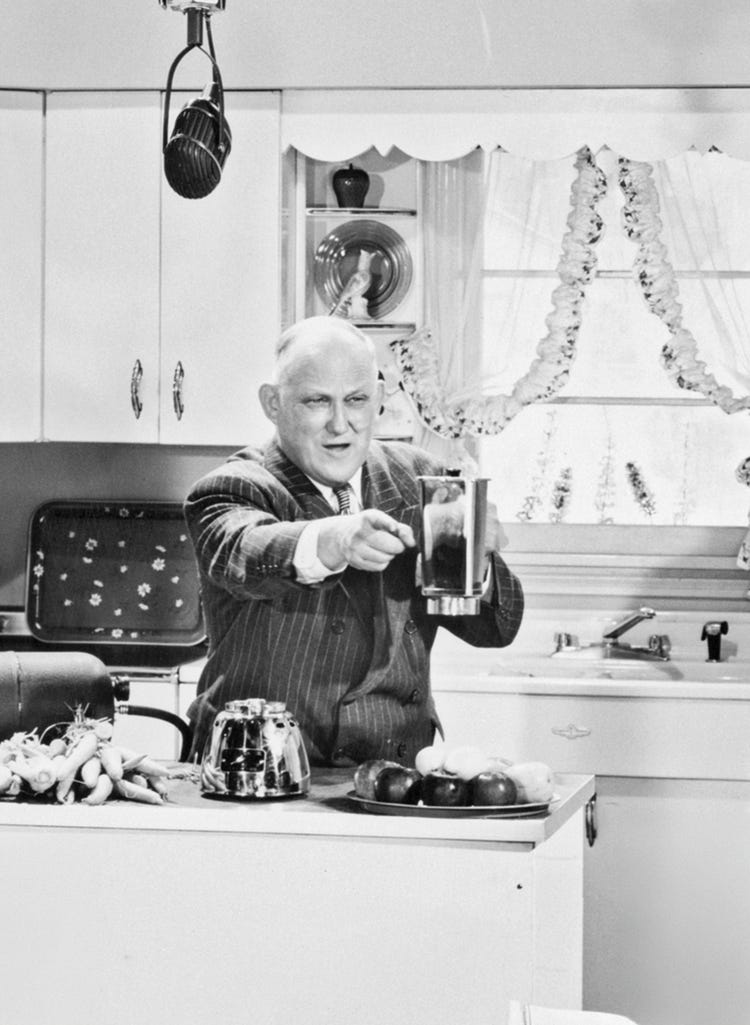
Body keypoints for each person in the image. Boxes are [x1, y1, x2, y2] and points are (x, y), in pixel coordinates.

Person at [183, 316, 524, 767]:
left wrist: (476, 557)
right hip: (262, 770)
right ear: (272, 403)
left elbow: (496, 630)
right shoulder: (232, 487)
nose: (340, 424)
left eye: (356, 400)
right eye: (317, 401)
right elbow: (242, 551)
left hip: (395, 774)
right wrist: (333, 538)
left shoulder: (421, 479)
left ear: (378, 399)